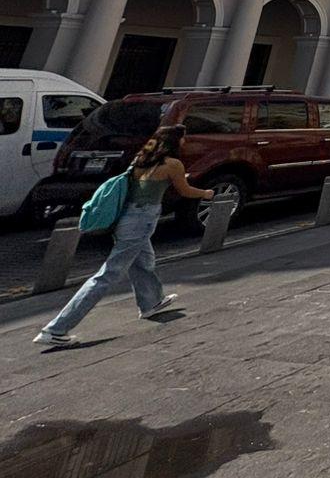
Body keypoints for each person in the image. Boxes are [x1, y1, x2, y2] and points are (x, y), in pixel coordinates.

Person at [34, 126, 212, 347]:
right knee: (106, 275)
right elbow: (184, 190)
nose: (185, 142)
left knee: (144, 261)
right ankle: (56, 329)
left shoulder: (141, 158)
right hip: (142, 220)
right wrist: (205, 193)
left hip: (127, 217)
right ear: (176, 142)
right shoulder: (173, 164)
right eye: (184, 138)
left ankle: (150, 302)